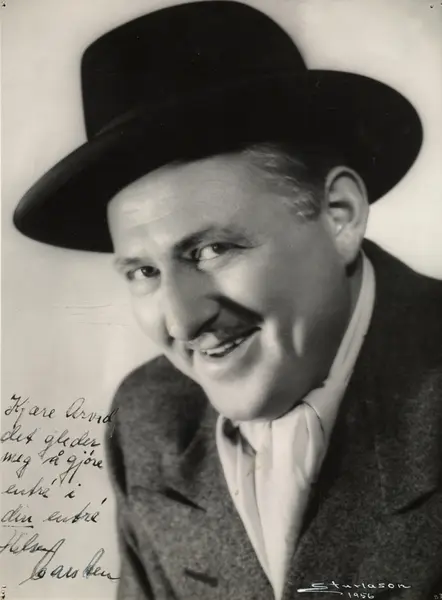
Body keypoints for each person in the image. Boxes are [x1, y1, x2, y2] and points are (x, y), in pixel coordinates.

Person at [13, 2, 442, 599]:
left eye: (213, 249)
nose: (183, 319)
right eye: (143, 271)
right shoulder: (149, 419)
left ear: (339, 215)